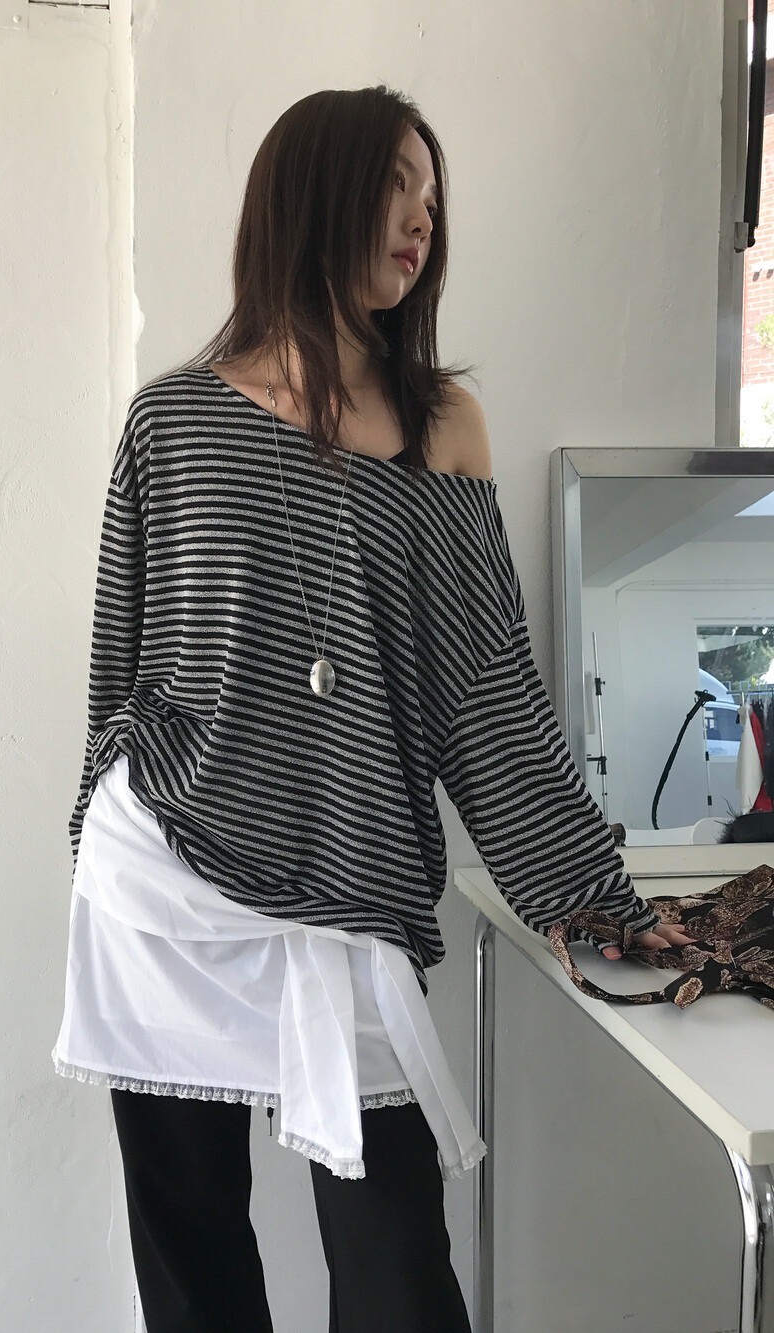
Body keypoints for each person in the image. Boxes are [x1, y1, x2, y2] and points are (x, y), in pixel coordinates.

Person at [51, 84, 691, 1333]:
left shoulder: (442, 424)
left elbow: (486, 690)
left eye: (431, 195)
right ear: (314, 194)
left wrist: (588, 892)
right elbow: (122, 660)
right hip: (162, 882)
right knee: (190, 1256)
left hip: (347, 887)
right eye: (396, 183)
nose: (421, 217)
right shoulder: (170, 421)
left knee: (396, 1266)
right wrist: (91, 825)